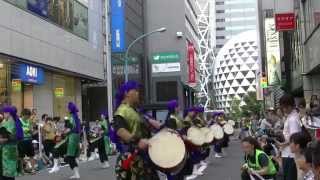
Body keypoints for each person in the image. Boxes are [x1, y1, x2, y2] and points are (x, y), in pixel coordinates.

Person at [113, 81, 159, 180]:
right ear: (127, 93)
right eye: (136, 91)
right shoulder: (122, 111)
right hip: (132, 158)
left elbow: (150, 126)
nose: (138, 93)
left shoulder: (135, 111)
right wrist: (138, 141)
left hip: (143, 157)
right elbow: (120, 130)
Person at [50, 102, 81, 179]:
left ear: (70, 109)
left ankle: (56, 166)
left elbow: (70, 128)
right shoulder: (76, 116)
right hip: (76, 137)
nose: (66, 109)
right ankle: (76, 174)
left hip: (72, 138)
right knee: (71, 157)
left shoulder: (71, 117)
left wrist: (61, 133)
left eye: (67, 107)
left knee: (56, 148)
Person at [277, 94, 302, 180]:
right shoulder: (292, 116)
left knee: (290, 177)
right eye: (283, 107)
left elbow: (294, 138)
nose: (284, 109)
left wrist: (282, 144)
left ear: (291, 105)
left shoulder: (292, 119)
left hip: (290, 155)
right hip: (289, 153)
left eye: (285, 107)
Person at [0, 106, 24, 180]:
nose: (3, 114)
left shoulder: (12, 121)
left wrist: (2, 139)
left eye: (4, 112)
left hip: (10, 148)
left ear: (9, 113)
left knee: (9, 170)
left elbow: (9, 136)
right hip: (4, 149)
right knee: (4, 170)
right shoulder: (4, 121)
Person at [18, 109, 36, 174]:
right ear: (23, 115)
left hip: (29, 140)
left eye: (28, 116)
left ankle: (33, 169)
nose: (27, 117)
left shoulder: (29, 121)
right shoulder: (18, 121)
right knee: (21, 156)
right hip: (21, 140)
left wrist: (30, 130)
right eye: (27, 116)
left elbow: (32, 131)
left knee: (31, 155)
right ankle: (22, 170)